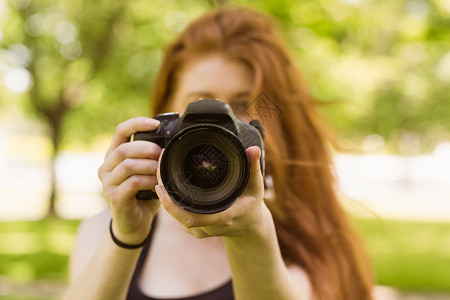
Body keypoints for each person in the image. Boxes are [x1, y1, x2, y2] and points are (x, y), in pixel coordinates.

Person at [64, 6, 374, 300]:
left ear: (273, 120)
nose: (219, 126)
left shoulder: (304, 237)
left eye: (243, 104)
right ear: (163, 118)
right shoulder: (102, 232)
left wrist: (253, 233)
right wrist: (125, 235)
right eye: (198, 102)